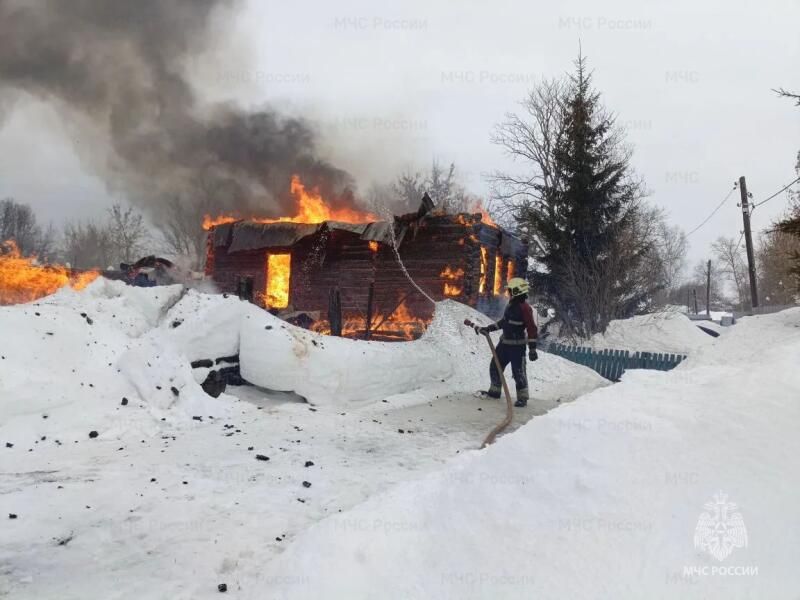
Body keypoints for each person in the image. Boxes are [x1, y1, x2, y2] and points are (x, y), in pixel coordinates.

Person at [475, 277, 538, 407]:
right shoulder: (510, 305)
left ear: (516, 291)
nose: (508, 292)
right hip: (504, 344)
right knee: (495, 365)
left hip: (517, 347)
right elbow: (504, 322)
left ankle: (522, 398)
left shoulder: (525, 308)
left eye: (510, 290)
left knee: (518, 372)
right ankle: (495, 391)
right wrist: (489, 328)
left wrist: (532, 349)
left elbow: (532, 328)